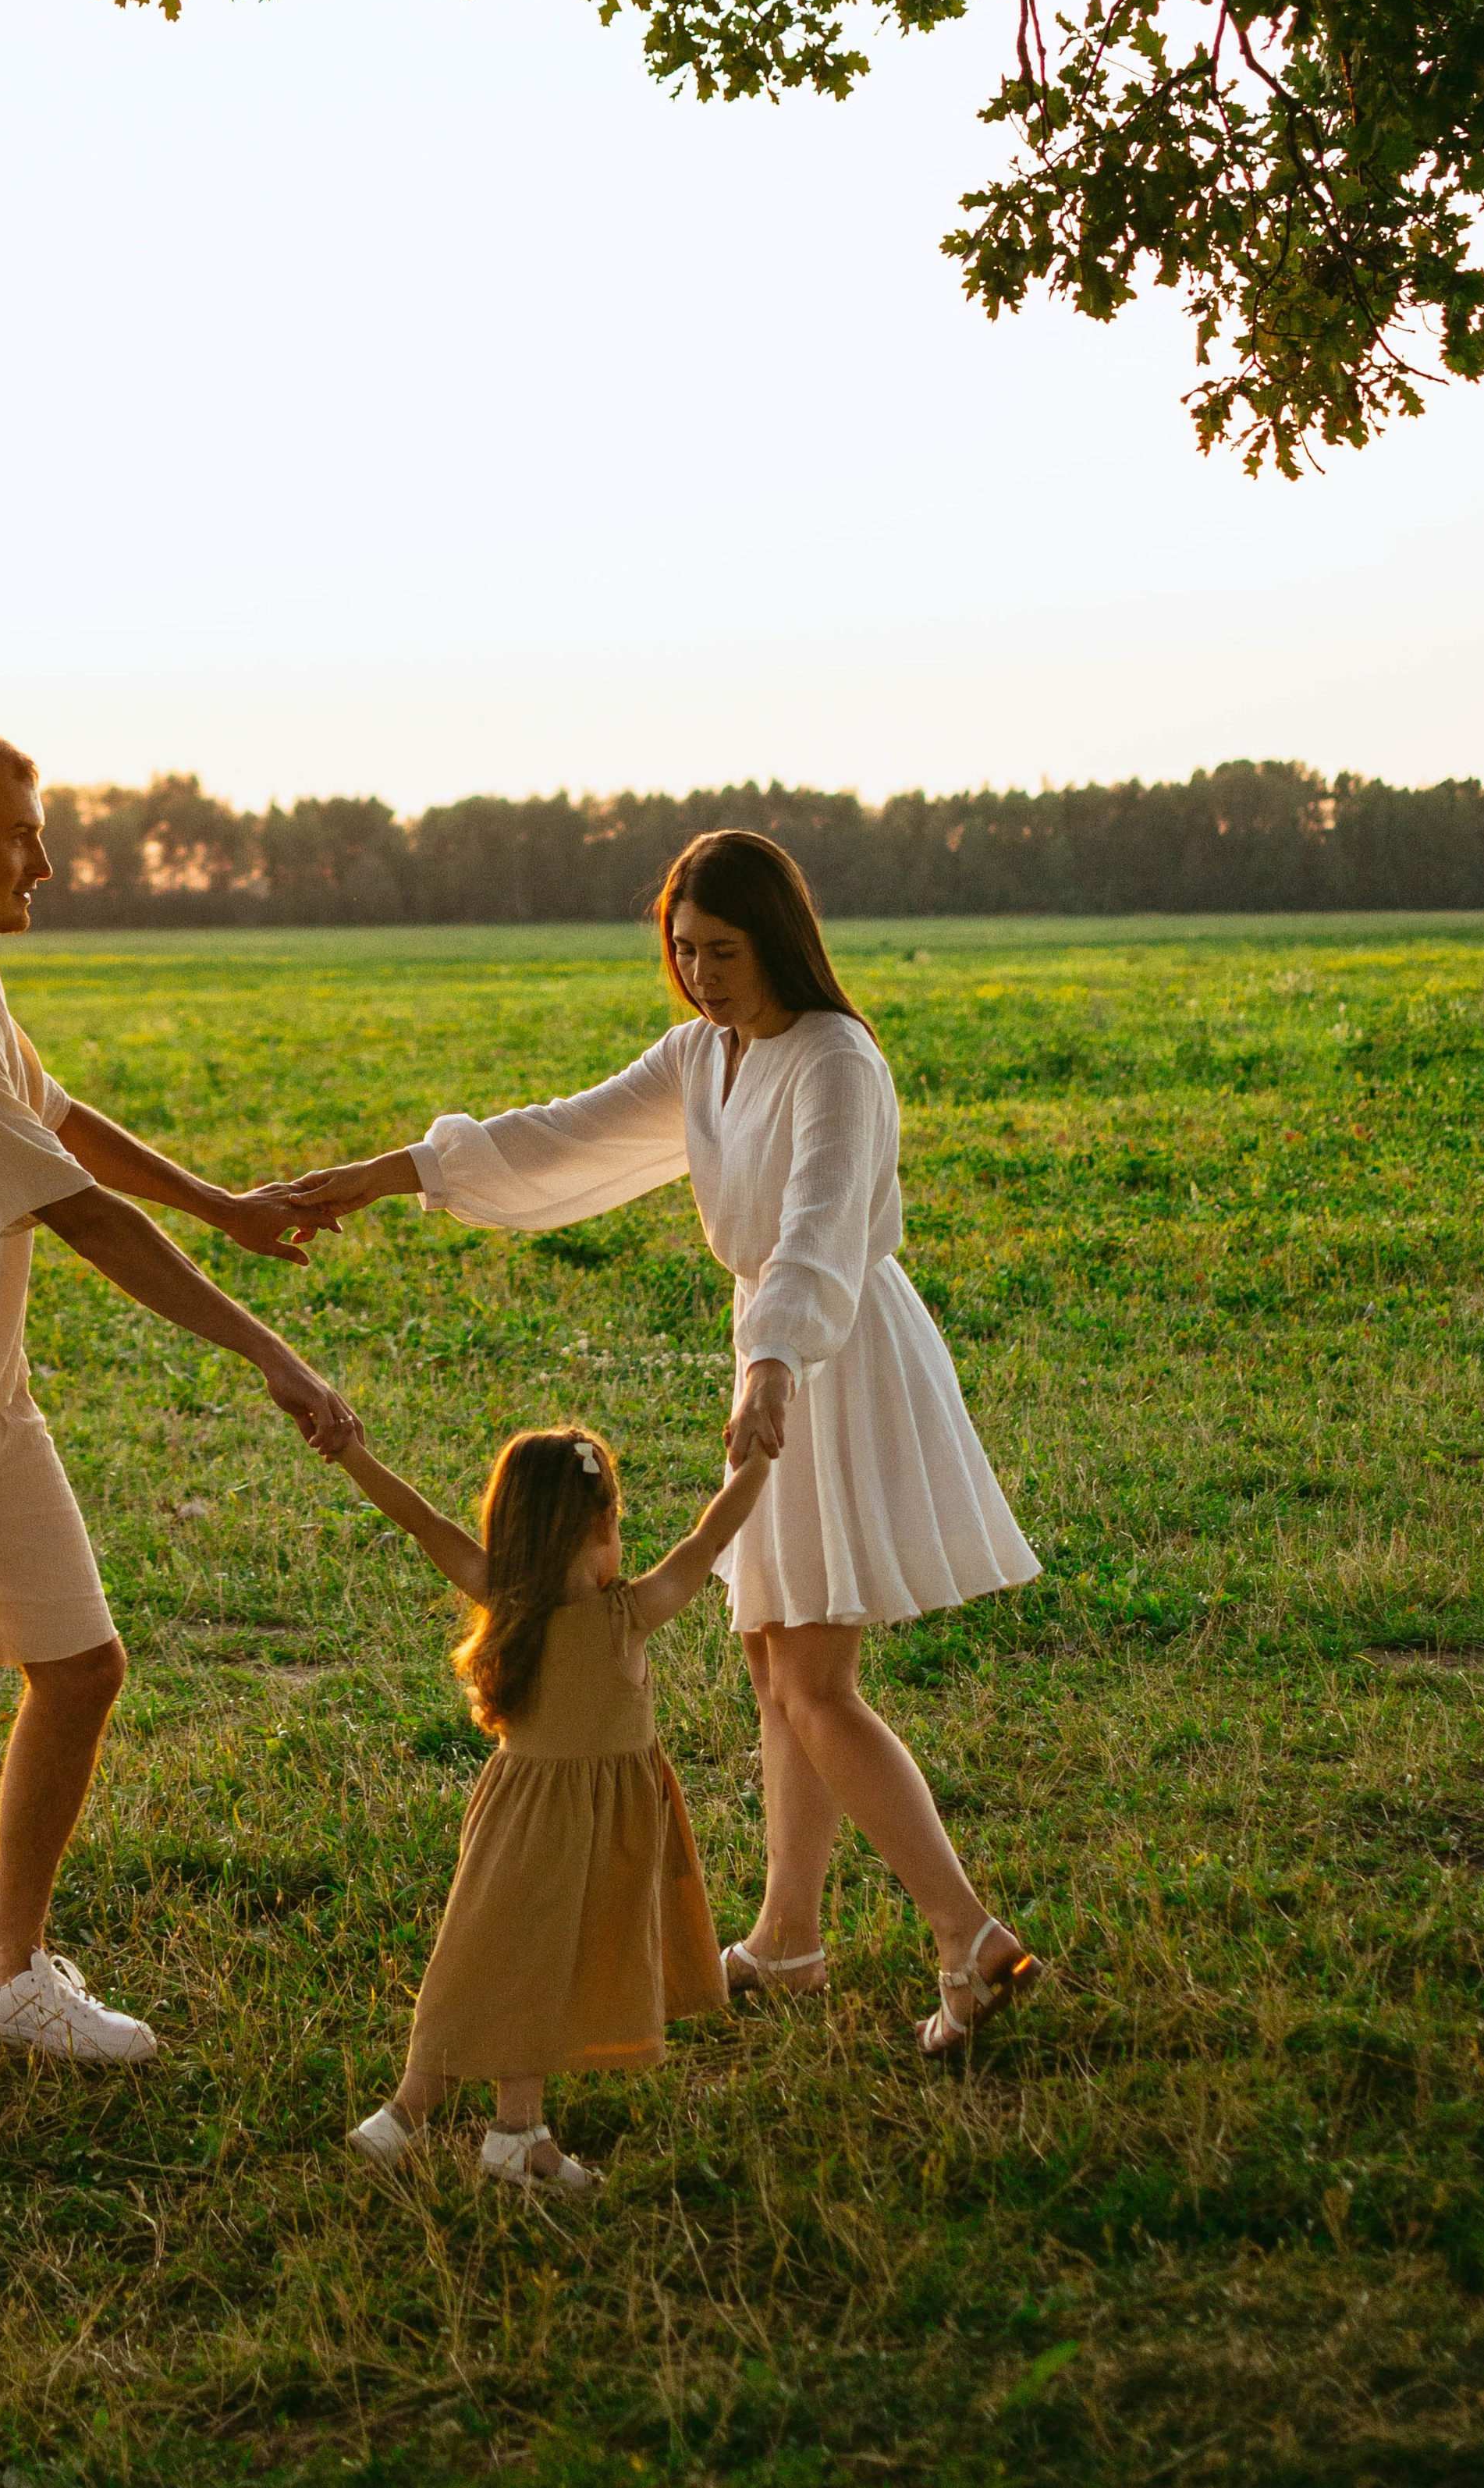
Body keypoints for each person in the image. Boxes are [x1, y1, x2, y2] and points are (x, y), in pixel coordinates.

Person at [284, 831, 1044, 2057]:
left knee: (814, 1679)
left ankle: (969, 1938)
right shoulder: (706, 1055)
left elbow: (815, 1231)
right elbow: (554, 1137)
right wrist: (378, 1177)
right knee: (767, 1658)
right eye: (683, 951)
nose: (700, 975)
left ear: (780, 939)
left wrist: (774, 1362)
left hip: (834, 1354)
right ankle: (788, 1937)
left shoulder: (837, 1060)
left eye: (724, 952)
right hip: (778, 1350)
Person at [0, 724, 355, 2149]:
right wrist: (265, 1351)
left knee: (81, 1667)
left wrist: (224, 1201)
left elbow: (61, 1116)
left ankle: (8, 1976)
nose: (48, 858)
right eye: (24, 833)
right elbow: (75, 1212)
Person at [336, 1423, 769, 2189]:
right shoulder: (626, 1614)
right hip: (587, 1829)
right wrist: (759, 1460)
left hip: (521, 1820)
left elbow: (421, 1521)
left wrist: (352, 1453)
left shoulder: (507, 1598)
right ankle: (412, 2113)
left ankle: (511, 2132)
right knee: (515, 1972)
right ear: (600, 1527)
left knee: (501, 1965)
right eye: (617, 1526)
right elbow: (708, 1540)